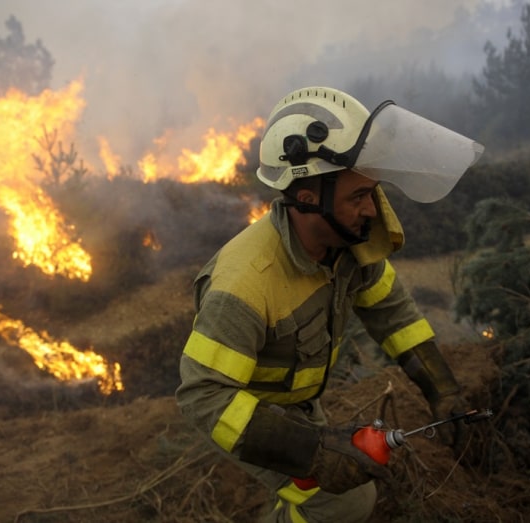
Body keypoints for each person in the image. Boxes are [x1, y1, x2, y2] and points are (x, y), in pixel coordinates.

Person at [176, 86, 484, 522]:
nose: (373, 211)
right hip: (253, 416)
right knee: (343, 501)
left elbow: (394, 316)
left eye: (372, 193)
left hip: (302, 404)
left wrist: (443, 389)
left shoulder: (350, 244)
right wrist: (311, 452)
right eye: (358, 198)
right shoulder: (244, 284)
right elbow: (204, 394)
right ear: (306, 198)